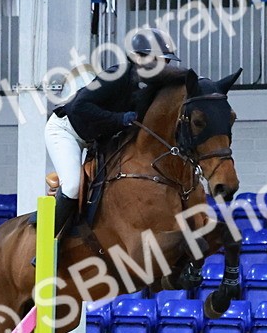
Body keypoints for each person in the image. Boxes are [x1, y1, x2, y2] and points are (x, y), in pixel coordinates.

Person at [43, 27, 181, 236]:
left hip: (95, 139)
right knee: (72, 186)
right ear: (142, 58)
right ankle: (48, 239)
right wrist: (119, 119)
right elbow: (80, 106)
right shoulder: (115, 75)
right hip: (67, 130)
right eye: (161, 61)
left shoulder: (150, 88)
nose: (165, 67)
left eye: (166, 63)